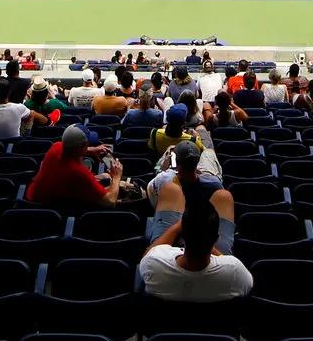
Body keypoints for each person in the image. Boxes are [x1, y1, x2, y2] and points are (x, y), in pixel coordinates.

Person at [137, 156, 251, 302]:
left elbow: (147, 256)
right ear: (215, 238)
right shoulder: (235, 273)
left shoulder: (153, 264)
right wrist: (207, 243)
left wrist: (178, 226)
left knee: (171, 189)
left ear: (183, 239)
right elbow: (248, 285)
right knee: (224, 196)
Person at [26, 125, 126, 209]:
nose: (88, 145)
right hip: (47, 207)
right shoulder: (79, 172)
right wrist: (116, 177)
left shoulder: (56, 146)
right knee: (111, 182)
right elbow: (110, 202)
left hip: (34, 195)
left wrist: (90, 150)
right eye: (87, 144)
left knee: (104, 176)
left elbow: (71, 150)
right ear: (79, 147)